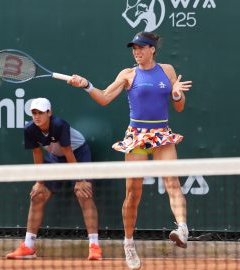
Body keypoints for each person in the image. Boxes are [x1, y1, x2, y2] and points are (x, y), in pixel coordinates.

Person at [67, 32, 192, 270]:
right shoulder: (128, 74)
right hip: (136, 136)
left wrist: (177, 94)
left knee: (173, 182)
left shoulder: (167, 71)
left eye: (142, 48)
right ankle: (128, 243)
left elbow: (179, 106)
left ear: (152, 49)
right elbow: (104, 98)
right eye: (134, 48)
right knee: (133, 194)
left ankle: (183, 229)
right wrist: (86, 85)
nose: (137, 52)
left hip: (161, 133)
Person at [5, 97, 102, 261]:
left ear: (49, 113)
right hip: (55, 157)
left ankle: (94, 246)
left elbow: (68, 152)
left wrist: (80, 179)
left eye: (41, 113)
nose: (37, 116)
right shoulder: (29, 129)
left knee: (83, 193)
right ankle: (29, 246)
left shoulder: (59, 125)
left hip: (77, 153)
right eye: (34, 113)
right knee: (38, 196)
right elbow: (37, 155)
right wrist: (39, 182)